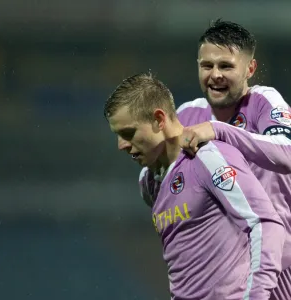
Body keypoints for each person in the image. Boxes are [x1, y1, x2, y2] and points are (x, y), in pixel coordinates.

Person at [104, 72, 285, 300]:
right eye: (117, 135)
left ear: (159, 120)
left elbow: (265, 224)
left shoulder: (208, 157)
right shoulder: (149, 182)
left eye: (128, 133)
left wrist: (257, 295)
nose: (121, 145)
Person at [177, 20, 291, 300]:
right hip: (221, 274)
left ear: (249, 69)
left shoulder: (263, 102)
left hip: (279, 266)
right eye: (207, 66)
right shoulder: (187, 115)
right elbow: (162, 177)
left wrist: (219, 131)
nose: (215, 75)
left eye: (226, 66)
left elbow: (287, 153)